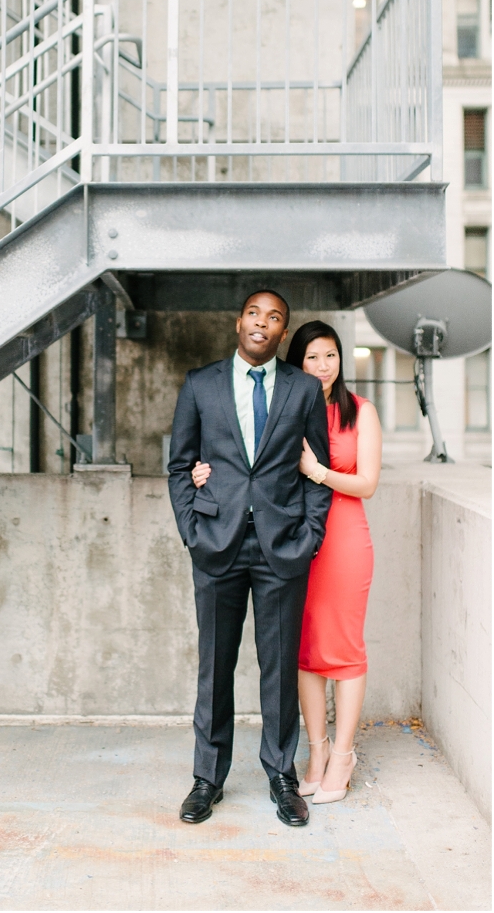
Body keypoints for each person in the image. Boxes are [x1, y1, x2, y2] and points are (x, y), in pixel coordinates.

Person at [168, 291, 332, 829]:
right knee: (214, 664)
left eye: (276, 318)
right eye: (255, 314)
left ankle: (281, 776)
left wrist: (310, 535)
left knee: (279, 667)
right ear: (239, 321)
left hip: (282, 546)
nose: (264, 323)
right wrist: (193, 529)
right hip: (217, 542)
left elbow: (317, 470)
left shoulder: (304, 389)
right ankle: (207, 779)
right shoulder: (201, 384)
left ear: (283, 332)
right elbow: (178, 466)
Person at [285, 320, 381, 804]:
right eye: (311, 358)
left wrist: (318, 472)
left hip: (344, 539)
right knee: (306, 651)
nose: (323, 367)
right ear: (297, 364)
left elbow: (366, 483)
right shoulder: (290, 410)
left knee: (343, 647)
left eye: (330, 356)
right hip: (296, 539)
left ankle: (343, 755)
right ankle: (317, 752)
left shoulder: (360, 411)